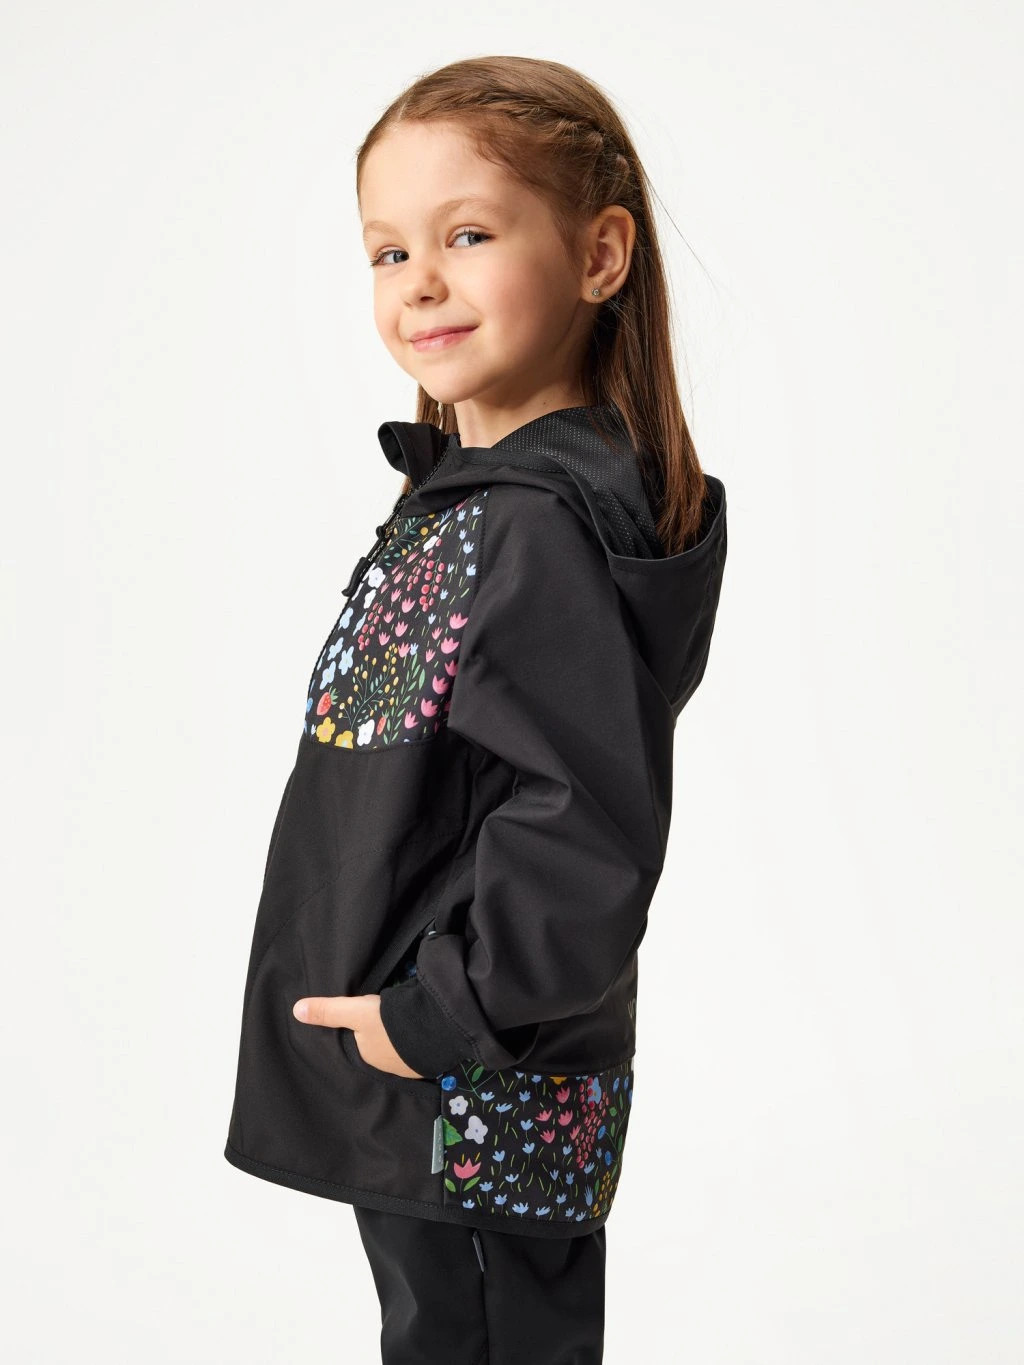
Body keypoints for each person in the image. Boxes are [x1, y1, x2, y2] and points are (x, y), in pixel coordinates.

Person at [224, 54, 728, 1365]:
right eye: (388, 251)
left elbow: (587, 824)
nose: (418, 283)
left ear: (600, 256)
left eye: (468, 235)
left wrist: (436, 1015)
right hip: (446, 1081)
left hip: (472, 1083)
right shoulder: (476, 503)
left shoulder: (534, 526)